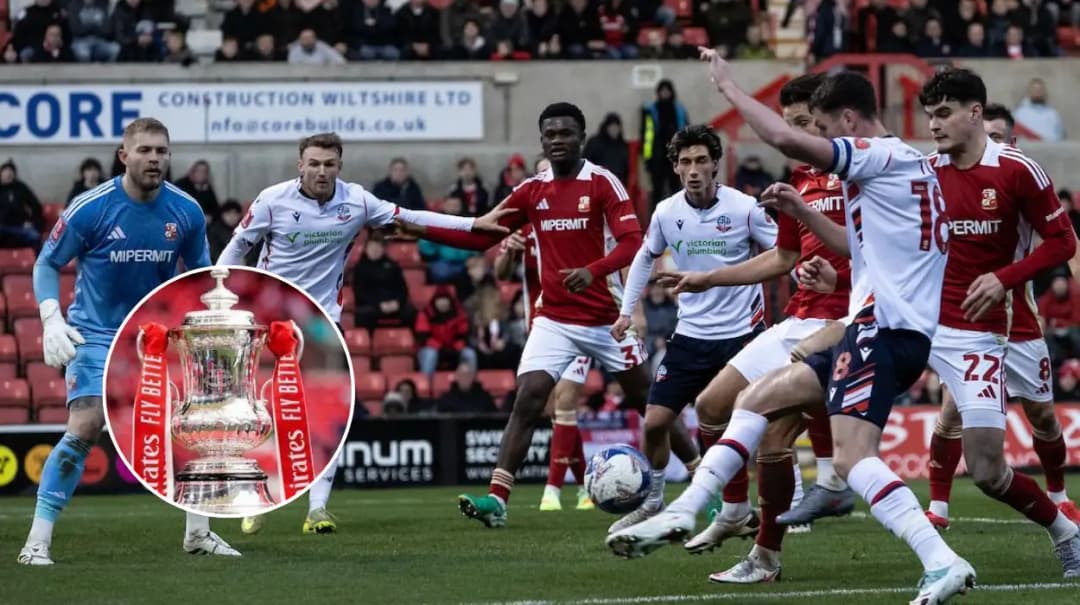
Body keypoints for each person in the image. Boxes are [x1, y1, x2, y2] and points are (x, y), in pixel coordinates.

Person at [608, 55, 977, 604]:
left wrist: (729, 85)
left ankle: (941, 560)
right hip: (876, 329)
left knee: (852, 460)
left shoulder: (876, 156)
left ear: (848, 121)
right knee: (754, 401)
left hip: (883, 330)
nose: (820, 139)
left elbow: (784, 138)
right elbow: (859, 246)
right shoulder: (914, 168)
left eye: (824, 128)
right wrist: (803, 212)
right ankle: (688, 509)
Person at [398, 102, 700, 528]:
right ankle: (497, 500)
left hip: (605, 319)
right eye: (550, 134)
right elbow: (482, 234)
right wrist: (418, 227)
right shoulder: (532, 190)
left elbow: (634, 243)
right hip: (554, 320)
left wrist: (592, 271)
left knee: (653, 408)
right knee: (528, 398)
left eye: (566, 133)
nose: (558, 140)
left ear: (582, 137)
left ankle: (700, 479)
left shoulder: (602, 183)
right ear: (542, 139)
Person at [217, 132, 511, 535]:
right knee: (266, 414)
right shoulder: (272, 201)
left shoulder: (356, 201)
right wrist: (218, 300)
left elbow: (413, 217)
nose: (322, 171)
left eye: (329, 164)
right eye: (314, 163)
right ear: (300, 165)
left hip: (324, 324)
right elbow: (236, 250)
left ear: (340, 165)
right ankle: (260, 495)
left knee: (329, 414)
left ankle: (316, 510)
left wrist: (473, 223)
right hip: (273, 323)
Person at [652, 74, 856, 583]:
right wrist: (707, 278)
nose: (796, 135)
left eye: (805, 124)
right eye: (789, 127)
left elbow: (893, 255)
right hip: (799, 319)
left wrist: (841, 276)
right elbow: (783, 257)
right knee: (712, 405)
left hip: (848, 320)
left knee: (771, 435)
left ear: (830, 120)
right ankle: (739, 509)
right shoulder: (800, 180)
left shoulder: (862, 174)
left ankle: (769, 551)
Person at [17, 117, 233, 565]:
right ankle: (37, 540)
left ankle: (198, 533)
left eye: (162, 151)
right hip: (95, 336)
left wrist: (205, 329)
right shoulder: (90, 208)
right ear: (124, 156)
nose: (154, 158)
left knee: (195, 425)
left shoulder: (187, 211)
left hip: (155, 338)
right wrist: (50, 317)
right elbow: (45, 264)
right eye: (145, 150)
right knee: (86, 424)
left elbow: (198, 278)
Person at [917, 75, 1080, 541]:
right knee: (950, 415)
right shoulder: (926, 172)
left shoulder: (1018, 171)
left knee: (1043, 417)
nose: (932, 125)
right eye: (929, 115)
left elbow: (1062, 242)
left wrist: (1005, 279)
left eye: (943, 113)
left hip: (1018, 322)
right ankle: (938, 505)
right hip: (957, 327)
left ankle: (1058, 496)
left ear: (975, 115)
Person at [607, 124, 776, 536]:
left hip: (741, 334)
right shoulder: (667, 212)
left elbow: (782, 252)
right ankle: (653, 501)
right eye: (686, 162)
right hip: (691, 336)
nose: (694, 169)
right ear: (676, 168)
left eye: (702, 160)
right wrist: (628, 311)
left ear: (716, 164)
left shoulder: (745, 208)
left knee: (758, 423)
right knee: (654, 422)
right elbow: (646, 257)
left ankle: (772, 506)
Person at [492, 219, 595, 512]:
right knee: (554, 410)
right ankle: (586, 488)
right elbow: (501, 274)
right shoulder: (523, 228)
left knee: (566, 401)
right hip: (540, 330)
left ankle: (552, 491)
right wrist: (510, 253)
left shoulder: (576, 222)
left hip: (579, 323)